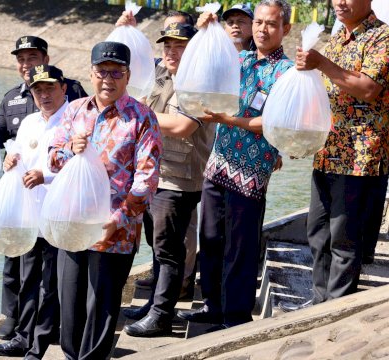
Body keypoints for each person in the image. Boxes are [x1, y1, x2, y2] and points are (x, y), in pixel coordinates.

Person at [176, 0, 294, 331]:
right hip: (219, 164)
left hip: (252, 170)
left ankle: (235, 317)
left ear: (285, 28)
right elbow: (204, 68)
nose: (262, 29)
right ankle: (212, 306)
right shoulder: (238, 59)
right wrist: (205, 30)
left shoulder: (286, 72)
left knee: (240, 247)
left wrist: (228, 119)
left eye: (271, 24)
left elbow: (272, 121)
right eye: (258, 22)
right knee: (211, 238)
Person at [48, 41, 162, 359]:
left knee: (100, 312)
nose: (107, 79)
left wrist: (119, 219)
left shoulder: (142, 118)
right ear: (91, 73)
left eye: (116, 72)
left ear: (127, 76)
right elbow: (53, 161)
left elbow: (146, 179)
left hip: (116, 231)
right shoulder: (74, 111)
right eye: (101, 71)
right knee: (69, 309)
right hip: (73, 224)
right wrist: (70, 148)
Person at [0, 35, 87, 341]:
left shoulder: (75, 105)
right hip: (27, 205)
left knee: (52, 277)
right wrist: (2, 152)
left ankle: (41, 334)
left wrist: (45, 176)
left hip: (59, 206)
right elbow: (7, 144)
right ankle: (18, 325)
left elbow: (80, 158)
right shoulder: (17, 105)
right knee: (20, 269)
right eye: (21, 59)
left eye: (32, 57)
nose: (44, 93)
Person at [119, 20, 217, 337]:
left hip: (179, 180)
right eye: (167, 45)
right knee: (157, 245)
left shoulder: (201, 83)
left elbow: (182, 126)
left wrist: (138, 112)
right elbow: (128, 68)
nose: (170, 52)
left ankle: (162, 316)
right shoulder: (163, 76)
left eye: (179, 46)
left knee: (169, 250)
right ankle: (154, 307)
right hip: (153, 174)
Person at [291, 0, 388, 305]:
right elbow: (319, 95)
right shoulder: (334, 41)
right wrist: (299, 138)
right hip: (326, 151)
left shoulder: (382, 38)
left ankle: (337, 306)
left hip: (360, 157)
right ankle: (320, 303)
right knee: (318, 234)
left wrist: (320, 63)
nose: (340, 2)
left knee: (345, 240)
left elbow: (367, 88)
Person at [0, 65, 69, 358]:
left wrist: (45, 177)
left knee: (50, 283)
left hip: (59, 213)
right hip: (29, 213)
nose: (44, 95)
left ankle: (40, 344)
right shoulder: (30, 122)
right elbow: (19, 157)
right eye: (38, 90)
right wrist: (10, 163)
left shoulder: (74, 120)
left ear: (63, 87)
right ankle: (23, 337)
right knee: (28, 278)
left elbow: (79, 170)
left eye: (50, 88)